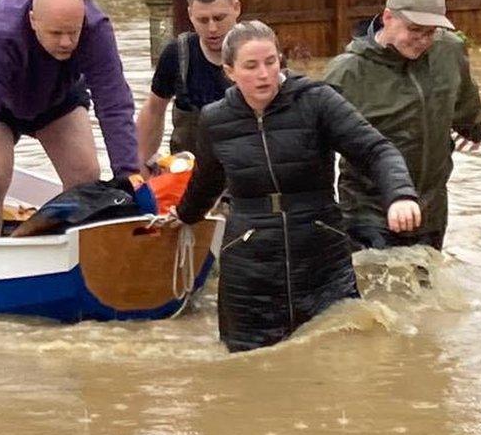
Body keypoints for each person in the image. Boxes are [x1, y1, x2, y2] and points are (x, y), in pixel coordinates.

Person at [172, 20, 422, 352]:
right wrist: (183, 216)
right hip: (249, 268)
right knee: (245, 369)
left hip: (321, 254)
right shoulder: (215, 120)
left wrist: (400, 195)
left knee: (342, 356)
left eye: (271, 62)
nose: (264, 74)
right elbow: (206, 181)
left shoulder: (317, 101)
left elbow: (376, 150)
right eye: (251, 66)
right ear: (230, 71)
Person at [0, 0, 140, 249]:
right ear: (33, 20)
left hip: (58, 95)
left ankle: (76, 256)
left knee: (86, 176)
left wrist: (129, 174)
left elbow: (114, 102)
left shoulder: (96, 28)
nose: (66, 42)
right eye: (56, 33)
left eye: (73, 33)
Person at [324, 0, 481, 250]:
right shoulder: (347, 72)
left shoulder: (449, 50)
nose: (423, 40)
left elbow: (464, 99)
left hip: (431, 210)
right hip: (369, 212)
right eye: (415, 30)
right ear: (388, 18)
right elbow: (310, 142)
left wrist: (472, 129)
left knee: (427, 287)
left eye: (431, 32)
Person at [136, 0, 239, 176]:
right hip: (189, 177)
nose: (212, 28)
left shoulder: (259, 52)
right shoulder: (176, 55)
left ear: (236, 8)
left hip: (243, 177)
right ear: (190, 14)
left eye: (219, 18)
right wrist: (138, 164)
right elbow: (154, 110)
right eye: (203, 20)